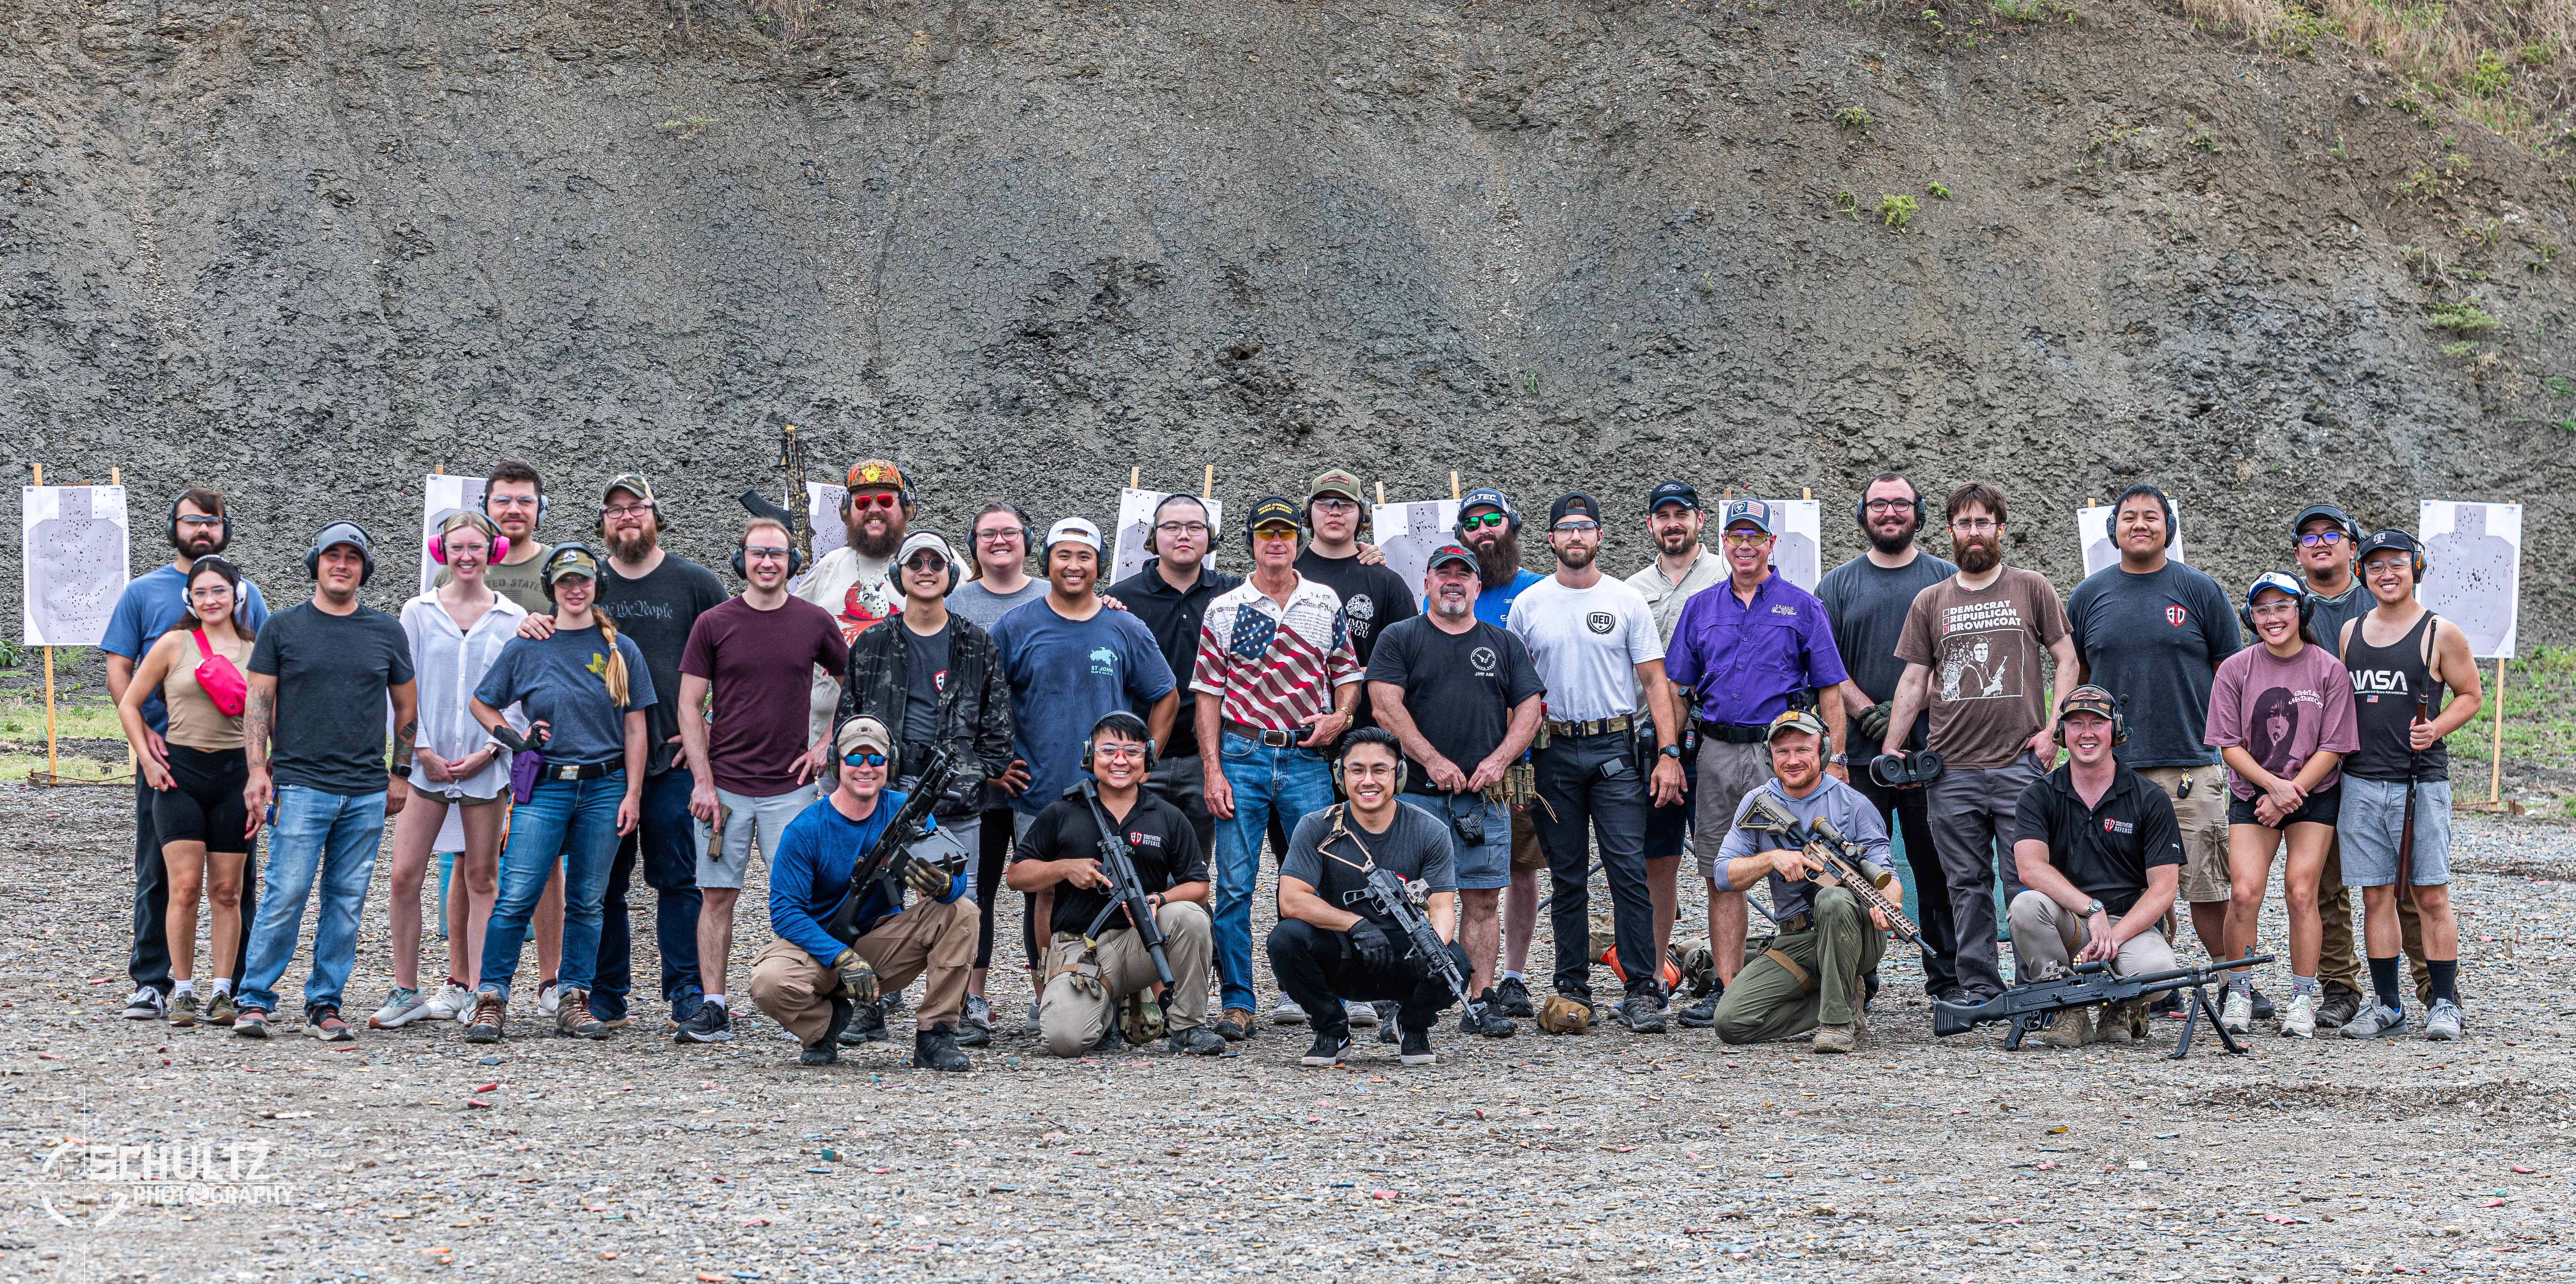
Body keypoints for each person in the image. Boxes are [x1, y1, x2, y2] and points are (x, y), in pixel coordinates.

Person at [1662, 498, 1859, 1023]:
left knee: (1804, 866)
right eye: (1736, 536)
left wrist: (1836, 760)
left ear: (1772, 543)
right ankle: (1727, 989)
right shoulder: (1700, 607)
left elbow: (1830, 691)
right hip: (1717, 753)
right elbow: (1679, 690)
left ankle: (1826, 980)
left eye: (1755, 537)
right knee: (1722, 871)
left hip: (1784, 755)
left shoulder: (1803, 606)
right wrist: (1668, 752)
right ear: (1723, 542)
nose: (1745, 546)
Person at [1881, 482, 2077, 1002]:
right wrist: (1891, 745)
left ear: (2000, 529)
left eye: (1983, 522)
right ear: (1950, 531)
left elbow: (2067, 658)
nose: (1974, 532)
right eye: (1964, 523)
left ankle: (2038, 986)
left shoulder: (2031, 587)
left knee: (2026, 881)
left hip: (2019, 765)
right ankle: (1978, 988)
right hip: (1951, 771)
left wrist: (2053, 731)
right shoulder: (1931, 601)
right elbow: (1914, 680)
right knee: (1964, 885)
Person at [1508, 492, 1688, 1033]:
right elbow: (1514, 690)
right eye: (1566, 528)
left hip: (1614, 747)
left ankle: (1642, 988)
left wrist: (1668, 752)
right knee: (1566, 876)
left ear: (1600, 536)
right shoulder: (1530, 604)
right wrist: (1513, 760)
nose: (1576, 536)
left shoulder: (1625, 599)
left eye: (1585, 527)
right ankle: (1572, 987)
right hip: (1553, 751)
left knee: (1627, 870)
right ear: (1551, 539)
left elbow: (1654, 680)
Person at [460, 544, 653, 1043]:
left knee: (588, 900)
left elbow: (636, 727)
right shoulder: (529, 644)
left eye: (583, 580)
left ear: (597, 585)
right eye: (565, 581)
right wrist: (515, 739)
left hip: (605, 786)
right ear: (552, 587)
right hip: (544, 786)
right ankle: (490, 998)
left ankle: (574, 997)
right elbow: (482, 702)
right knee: (516, 896)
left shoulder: (622, 649)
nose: (575, 589)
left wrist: (633, 793)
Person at [991, 517, 1179, 1024]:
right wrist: (995, 761)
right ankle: (1048, 993)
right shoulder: (1015, 626)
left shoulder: (1124, 627)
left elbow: (1166, 693)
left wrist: (1146, 758)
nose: (1073, 566)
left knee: (1123, 887)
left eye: (1084, 556)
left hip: (1112, 791)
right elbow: (983, 696)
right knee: (1046, 890)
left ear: (1100, 565)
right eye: (1063, 555)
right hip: (1040, 786)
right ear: (1046, 561)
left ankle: (1122, 994)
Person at [234, 522, 417, 1041]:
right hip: (300, 785)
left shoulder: (386, 631)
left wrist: (400, 773)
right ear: (315, 562)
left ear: (365, 568)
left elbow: (407, 707)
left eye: (352, 557)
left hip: (365, 791)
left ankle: (325, 1002)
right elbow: (258, 703)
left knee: (346, 902)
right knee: (285, 893)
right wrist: (256, 769)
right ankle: (255, 999)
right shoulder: (282, 628)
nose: (341, 564)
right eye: (332, 555)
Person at [1192, 495, 1364, 1039]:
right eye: (1266, 533)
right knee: (1235, 886)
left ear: (1297, 540)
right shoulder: (1225, 607)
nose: (1275, 542)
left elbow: (1347, 673)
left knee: (1324, 879)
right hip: (1242, 753)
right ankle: (1237, 1001)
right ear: (1251, 541)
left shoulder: (1324, 600)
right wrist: (1212, 770)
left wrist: (1341, 717)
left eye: (1285, 533)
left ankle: (1326, 995)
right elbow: (1207, 695)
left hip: (1306, 756)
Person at [672, 518, 850, 1044]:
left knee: (798, 898)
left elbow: (854, 682)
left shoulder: (814, 621)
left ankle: (798, 999)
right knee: (716, 896)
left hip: (790, 789)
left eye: (777, 553)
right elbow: (688, 705)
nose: (768, 562)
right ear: (742, 559)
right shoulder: (714, 623)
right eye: (758, 553)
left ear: (792, 562)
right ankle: (713, 1006)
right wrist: (702, 781)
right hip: (724, 788)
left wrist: (826, 744)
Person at [835, 530, 1015, 1045]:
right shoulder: (872, 643)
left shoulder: (977, 644)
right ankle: (872, 1004)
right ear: (900, 574)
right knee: (875, 898)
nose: (927, 571)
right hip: (885, 794)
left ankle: (954, 1011)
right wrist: (862, 782)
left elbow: (998, 735)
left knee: (962, 903)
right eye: (916, 562)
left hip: (956, 799)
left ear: (951, 574)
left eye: (937, 562)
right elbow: (848, 723)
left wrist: (966, 775)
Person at [2065, 485, 2242, 998]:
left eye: (2151, 516)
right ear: (2113, 529)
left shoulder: (2200, 590)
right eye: (2129, 517)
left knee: (2206, 885)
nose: (2140, 524)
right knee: (2129, 886)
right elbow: (2078, 679)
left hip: (2191, 762)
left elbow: (2231, 676)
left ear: (2169, 527)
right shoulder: (2088, 595)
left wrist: (2230, 747)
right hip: (2113, 771)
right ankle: (2156, 986)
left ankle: (2234, 982)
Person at [103, 488, 272, 1021]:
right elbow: (120, 671)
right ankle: (156, 982)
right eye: (191, 520)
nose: (202, 529)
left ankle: (234, 985)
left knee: (234, 884)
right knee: (162, 876)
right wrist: (144, 745)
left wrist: (264, 766)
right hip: (169, 758)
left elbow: (268, 694)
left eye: (212, 521)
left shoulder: (251, 601)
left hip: (235, 765)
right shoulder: (143, 593)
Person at [1366, 542, 1542, 1037]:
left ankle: (1480, 998)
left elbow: (1530, 709)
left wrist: (1499, 760)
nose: (1452, 581)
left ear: (1477, 586)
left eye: (1462, 574)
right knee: (1408, 901)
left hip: (1483, 799)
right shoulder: (1400, 637)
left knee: (1483, 899)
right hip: (1415, 796)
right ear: (1426, 583)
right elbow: (1384, 706)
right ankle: (1406, 1003)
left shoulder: (1503, 643)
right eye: (1442, 573)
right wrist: (1432, 759)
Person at [747, 717, 976, 1070]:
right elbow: (785, 912)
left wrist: (944, 886)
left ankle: (936, 1035)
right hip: (819, 949)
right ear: (837, 762)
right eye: (855, 758)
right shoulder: (806, 829)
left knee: (962, 911)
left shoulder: (908, 814)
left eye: (876, 758)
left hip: (883, 946)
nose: (866, 768)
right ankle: (824, 1026)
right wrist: (840, 956)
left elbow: (955, 880)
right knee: (769, 981)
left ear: (890, 763)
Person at [374, 511, 529, 1030]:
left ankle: (480, 992)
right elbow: (402, 687)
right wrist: (419, 749)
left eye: (475, 547)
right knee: (404, 875)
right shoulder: (417, 612)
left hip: (484, 768)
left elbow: (517, 697)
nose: (467, 556)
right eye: (457, 547)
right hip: (428, 768)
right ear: (443, 552)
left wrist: (491, 749)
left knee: (482, 877)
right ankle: (406, 989)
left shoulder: (511, 617)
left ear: (493, 552)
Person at [1816, 473, 1962, 1002]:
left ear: (1918, 514)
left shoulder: (1947, 578)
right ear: (1863, 514)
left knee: (1938, 870)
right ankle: (1860, 980)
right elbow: (1825, 665)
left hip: (1932, 755)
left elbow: (1960, 663)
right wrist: (1867, 714)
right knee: (1857, 870)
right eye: (1878, 504)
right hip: (1858, 760)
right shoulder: (1836, 586)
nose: (1889, 513)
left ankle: (1949, 980)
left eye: (1901, 504)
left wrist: (1902, 711)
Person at [2336, 530, 2480, 1042]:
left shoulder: (2441, 631)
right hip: (2360, 781)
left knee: (2431, 895)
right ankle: (2388, 1004)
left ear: (2416, 567)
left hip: (2420, 783)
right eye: (2375, 565)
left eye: (2397, 563)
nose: (2387, 573)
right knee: (2376, 896)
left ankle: (2444, 1002)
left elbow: (2471, 695)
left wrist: (2435, 728)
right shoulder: (2351, 632)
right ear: (2362, 573)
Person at [1008, 712, 1222, 1056]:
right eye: (1108, 750)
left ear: (1147, 757)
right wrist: (1064, 868)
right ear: (1090, 755)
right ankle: (1105, 1009)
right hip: (1080, 948)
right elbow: (1016, 875)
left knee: (1191, 917)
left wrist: (1158, 900)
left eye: (1132, 752)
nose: (1120, 760)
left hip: (1141, 943)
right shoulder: (1061, 813)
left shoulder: (1167, 816)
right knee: (1065, 1041)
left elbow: (1199, 887)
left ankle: (1188, 1026)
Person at [2204, 571, 2358, 1038]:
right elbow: (2228, 744)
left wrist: (2290, 794)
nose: (2273, 618)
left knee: (2301, 891)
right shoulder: (2236, 669)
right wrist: (2273, 787)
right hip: (2255, 793)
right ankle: (2239, 991)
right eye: (2263, 609)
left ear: (2301, 611)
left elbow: (2333, 745)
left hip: (2313, 792)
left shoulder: (2328, 669)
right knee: (2245, 892)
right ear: (2251, 616)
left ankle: (2302, 997)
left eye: (2282, 607)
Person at [1269, 729, 1472, 1067]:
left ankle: (1412, 1023)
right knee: (1285, 939)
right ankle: (1332, 1028)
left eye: (1380, 770)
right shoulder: (1316, 826)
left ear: (1399, 774)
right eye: (1357, 770)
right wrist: (1356, 924)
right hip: (1343, 952)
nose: (1368, 780)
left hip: (1404, 953)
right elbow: (1291, 900)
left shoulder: (1430, 830)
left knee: (1455, 963)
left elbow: (1442, 907)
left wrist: (1431, 949)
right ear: (1341, 775)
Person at [2003, 685, 2186, 1048]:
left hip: (2130, 925)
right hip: (2070, 921)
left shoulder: (2150, 798)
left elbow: (2165, 888)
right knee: (2024, 906)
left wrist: (2112, 938)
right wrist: (2092, 908)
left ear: (2115, 730)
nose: (2087, 734)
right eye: (2076, 724)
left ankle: (2120, 1007)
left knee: (2161, 972)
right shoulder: (2038, 795)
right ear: (2062, 732)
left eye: (2097, 723)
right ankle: (2068, 1007)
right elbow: (2030, 869)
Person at [1704, 711, 1898, 1052]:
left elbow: (1886, 876)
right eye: (1783, 751)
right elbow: (1723, 874)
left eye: (1803, 750)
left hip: (1856, 935)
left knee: (1834, 900)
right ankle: (1843, 998)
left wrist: (1887, 906)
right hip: (1797, 938)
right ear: (1770, 757)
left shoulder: (1853, 804)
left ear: (1822, 751)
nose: (1792, 760)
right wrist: (1772, 859)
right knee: (1731, 1021)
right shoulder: (1758, 802)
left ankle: (1837, 1024)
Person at [2292, 502, 2403, 1031]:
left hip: (2379, 761)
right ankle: (2340, 985)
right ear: (2297, 553)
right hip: (2315, 765)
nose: (2321, 543)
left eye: (2332, 534)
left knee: (2400, 884)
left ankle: (2428, 986)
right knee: (2324, 884)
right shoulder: (2286, 608)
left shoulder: (2381, 598)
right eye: (2309, 536)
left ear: (2353, 548)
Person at [1623, 481, 1727, 990]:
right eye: (1662, 515)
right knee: (1657, 862)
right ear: (1650, 525)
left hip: (1716, 739)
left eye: (1681, 514)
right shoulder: (1631, 588)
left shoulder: (1727, 575)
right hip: (1651, 743)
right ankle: (1654, 977)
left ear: (1700, 520)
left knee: (1721, 863)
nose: (1672, 524)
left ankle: (1728, 979)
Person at [949, 502, 1049, 1025]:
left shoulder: (1052, 594)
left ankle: (1048, 993)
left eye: (1009, 532)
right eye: (988, 533)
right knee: (976, 888)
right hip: (976, 776)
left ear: (1027, 539)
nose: (999, 541)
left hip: (1039, 769)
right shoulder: (955, 603)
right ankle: (972, 996)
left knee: (1042, 886)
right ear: (974, 544)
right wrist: (984, 764)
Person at [1104, 494, 1242, 861]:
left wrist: (1360, 554)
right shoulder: (1121, 598)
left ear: (1210, 536)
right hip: (1140, 755)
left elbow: (1288, 577)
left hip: (1206, 759)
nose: (1184, 535)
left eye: (1195, 527)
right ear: (1153, 537)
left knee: (1193, 867)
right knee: (1132, 867)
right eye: (1172, 527)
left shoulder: (1235, 595)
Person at [1454, 486, 1548, 1016]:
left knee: (1517, 868)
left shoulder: (1537, 589)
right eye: (1472, 523)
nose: (1483, 530)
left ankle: (1511, 975)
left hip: (1517, 758)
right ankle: (1452, 976)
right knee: (1443, 872)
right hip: (1452, 755)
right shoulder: (1446, 590)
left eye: (1493, 519)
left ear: (1512, 525)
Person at [797, 458, 913, 746]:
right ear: (847, 512)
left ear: (906, 508)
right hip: (822, 746)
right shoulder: (829, 565)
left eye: (885, 500)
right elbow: (787, 629)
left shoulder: (931, 562)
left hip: (905, 743)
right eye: (862, 502)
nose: (874, 509)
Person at [1293, 468, 1419, 729]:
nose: (1335, 512)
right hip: (1293, 737)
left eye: (1346, 504)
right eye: (1325, 503)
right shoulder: (1288, 576)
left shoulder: (1387, 583)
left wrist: (1355, 674)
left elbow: (1412, 663)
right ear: (1308, 511)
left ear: (1363, 514)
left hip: (1366, 738)